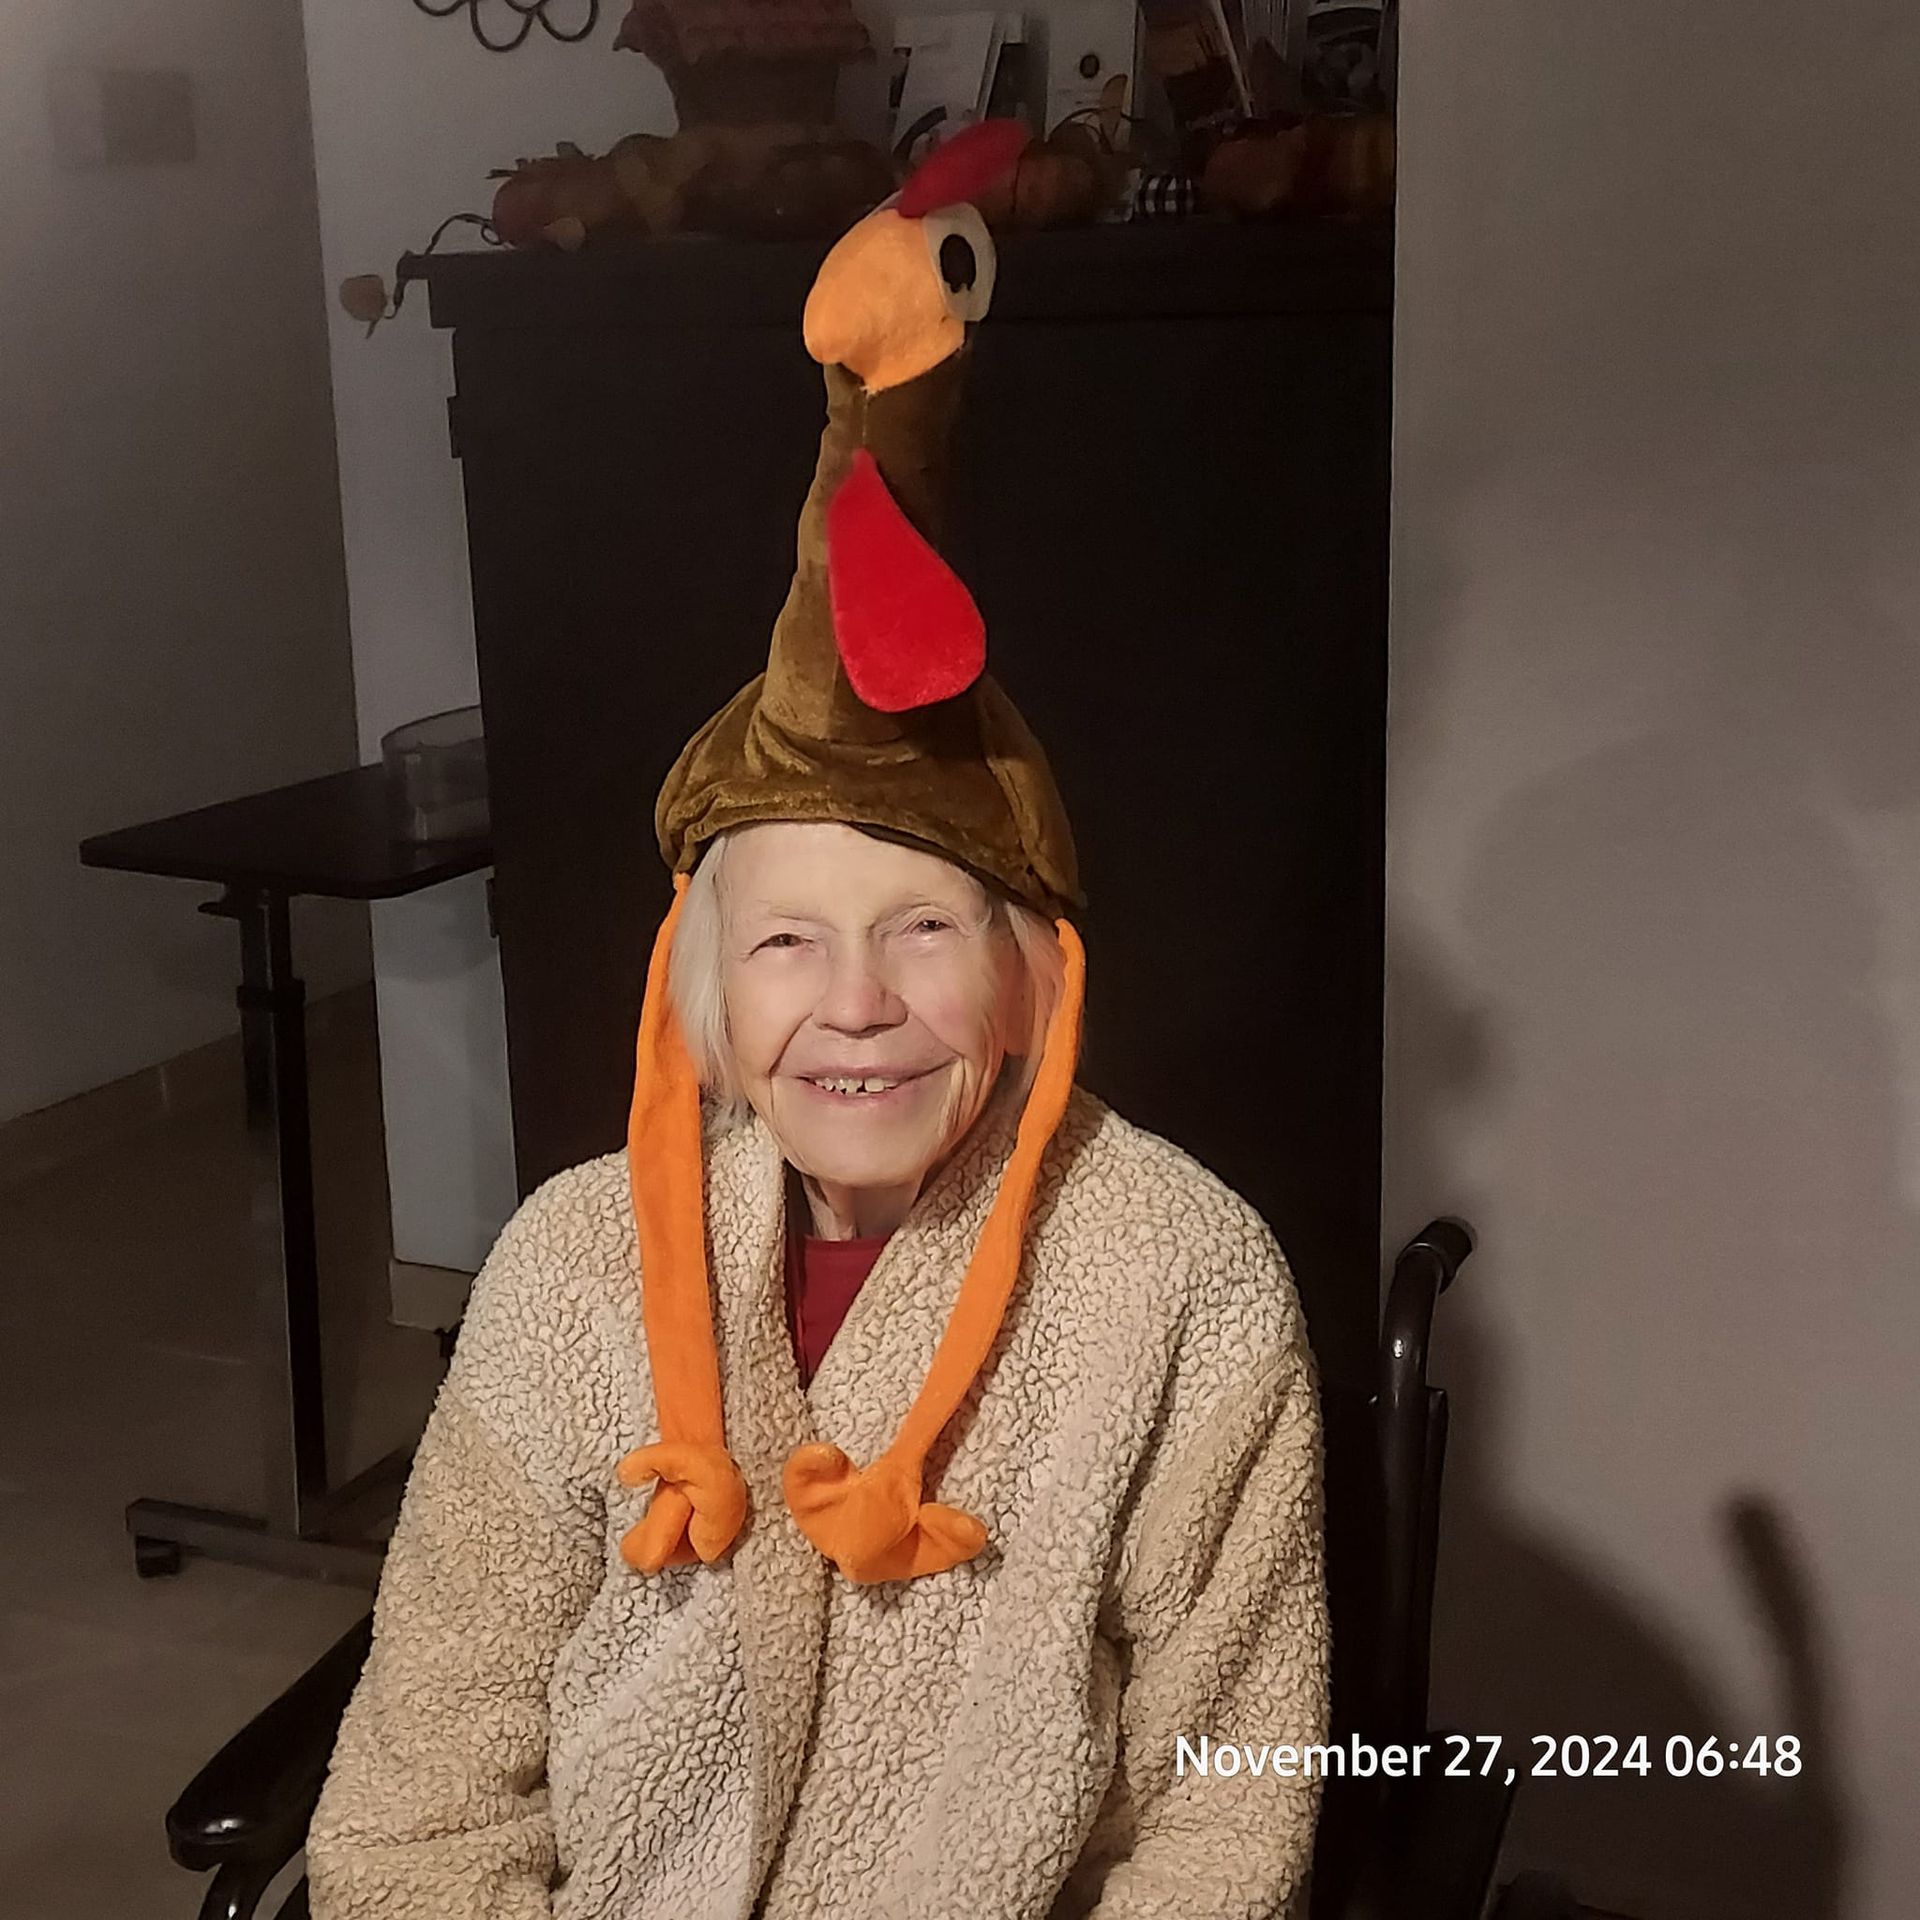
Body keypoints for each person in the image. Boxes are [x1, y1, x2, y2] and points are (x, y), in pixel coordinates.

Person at [307, 122, 1327, 1920]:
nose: (855, 1006)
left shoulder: (1181, 1282)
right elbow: (420, 1801)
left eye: (925, 927)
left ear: (1029, 968)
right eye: (786, 943)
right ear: (701, 983)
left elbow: (1227, 1813)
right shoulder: (568, 1275)